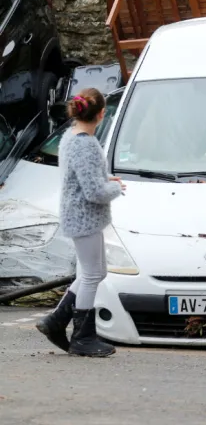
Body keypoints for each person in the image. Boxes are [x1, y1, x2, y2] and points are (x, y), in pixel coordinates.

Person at [36, 88, 125, 358]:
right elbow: (94, 191)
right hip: (83, 217)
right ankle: (82, 337)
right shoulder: (85, 144)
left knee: (95, 272)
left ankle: (56, 321)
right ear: (101, 114)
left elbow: (86, 177)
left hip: (81, 216)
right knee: (91, 275)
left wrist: (107, 181)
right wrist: (117, 188)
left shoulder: (71, 135)